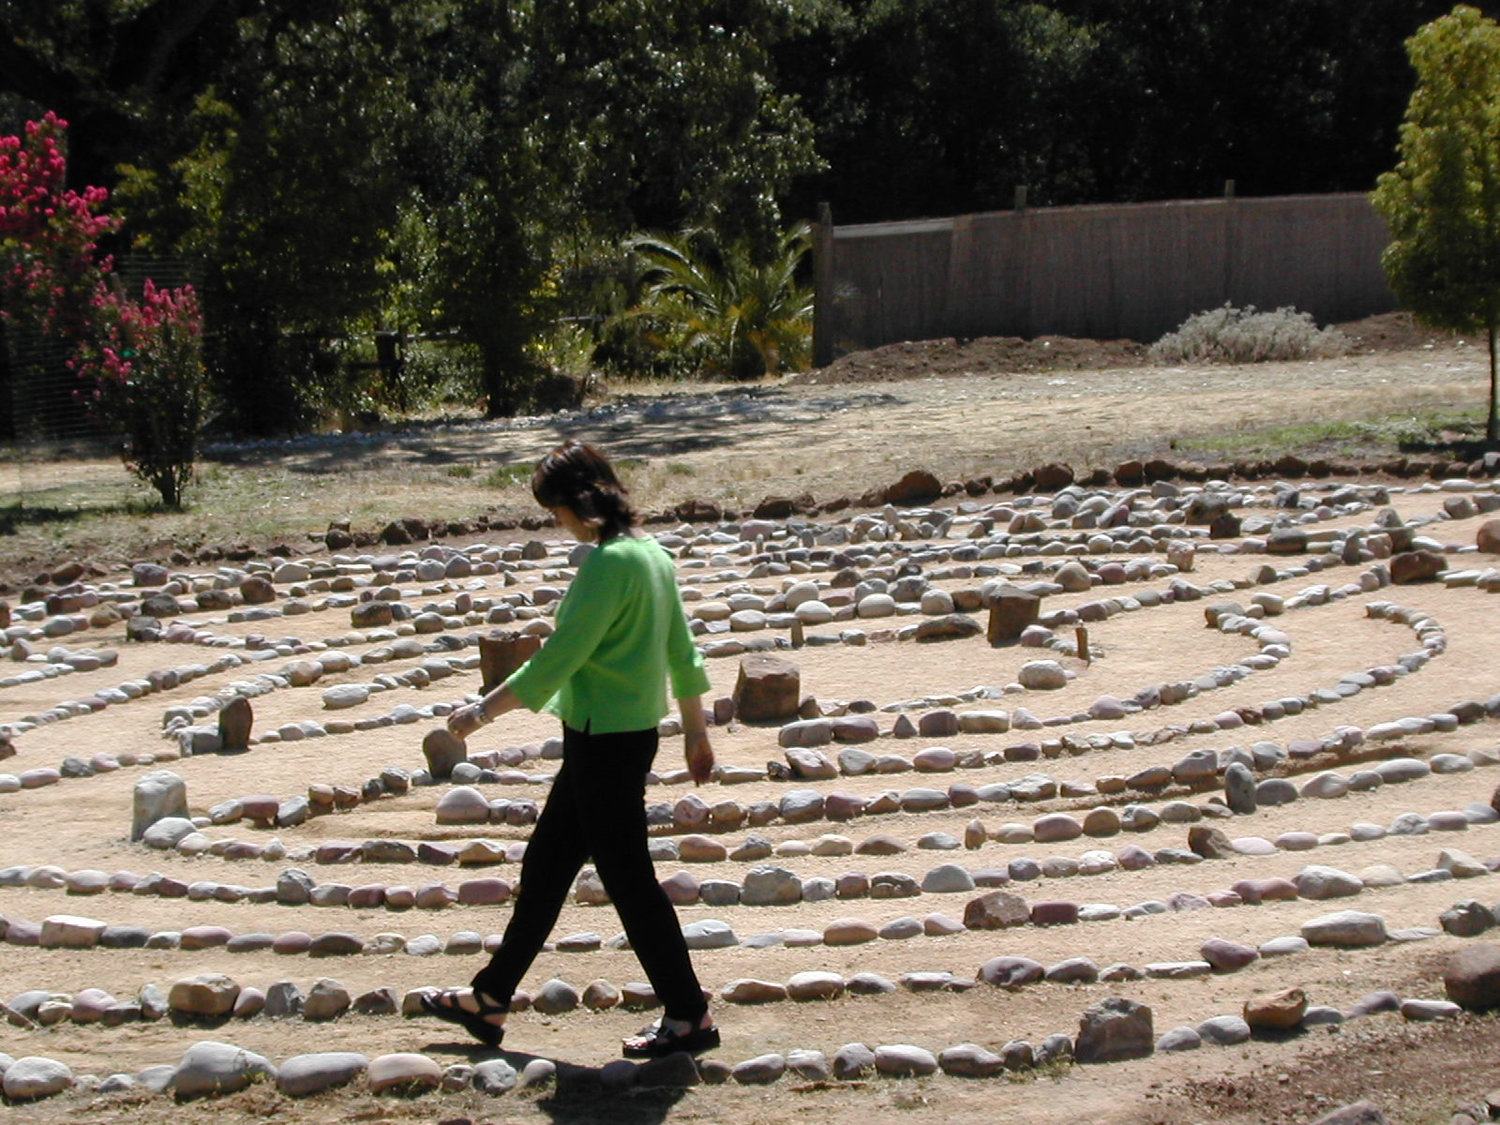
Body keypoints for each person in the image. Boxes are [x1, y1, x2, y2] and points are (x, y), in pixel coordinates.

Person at [420, 439, 720, 1059]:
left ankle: (689, 1014)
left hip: (603, 742)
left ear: (577, 501)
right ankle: (490, 997)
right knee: (548, 865)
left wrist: (482, 711)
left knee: (629, 880)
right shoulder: (653, 555)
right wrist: (696, 732)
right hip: (621, 738)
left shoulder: (610, 565)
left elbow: (560, 657)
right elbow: (683, 652)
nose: (557, 522)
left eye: (555, 510)